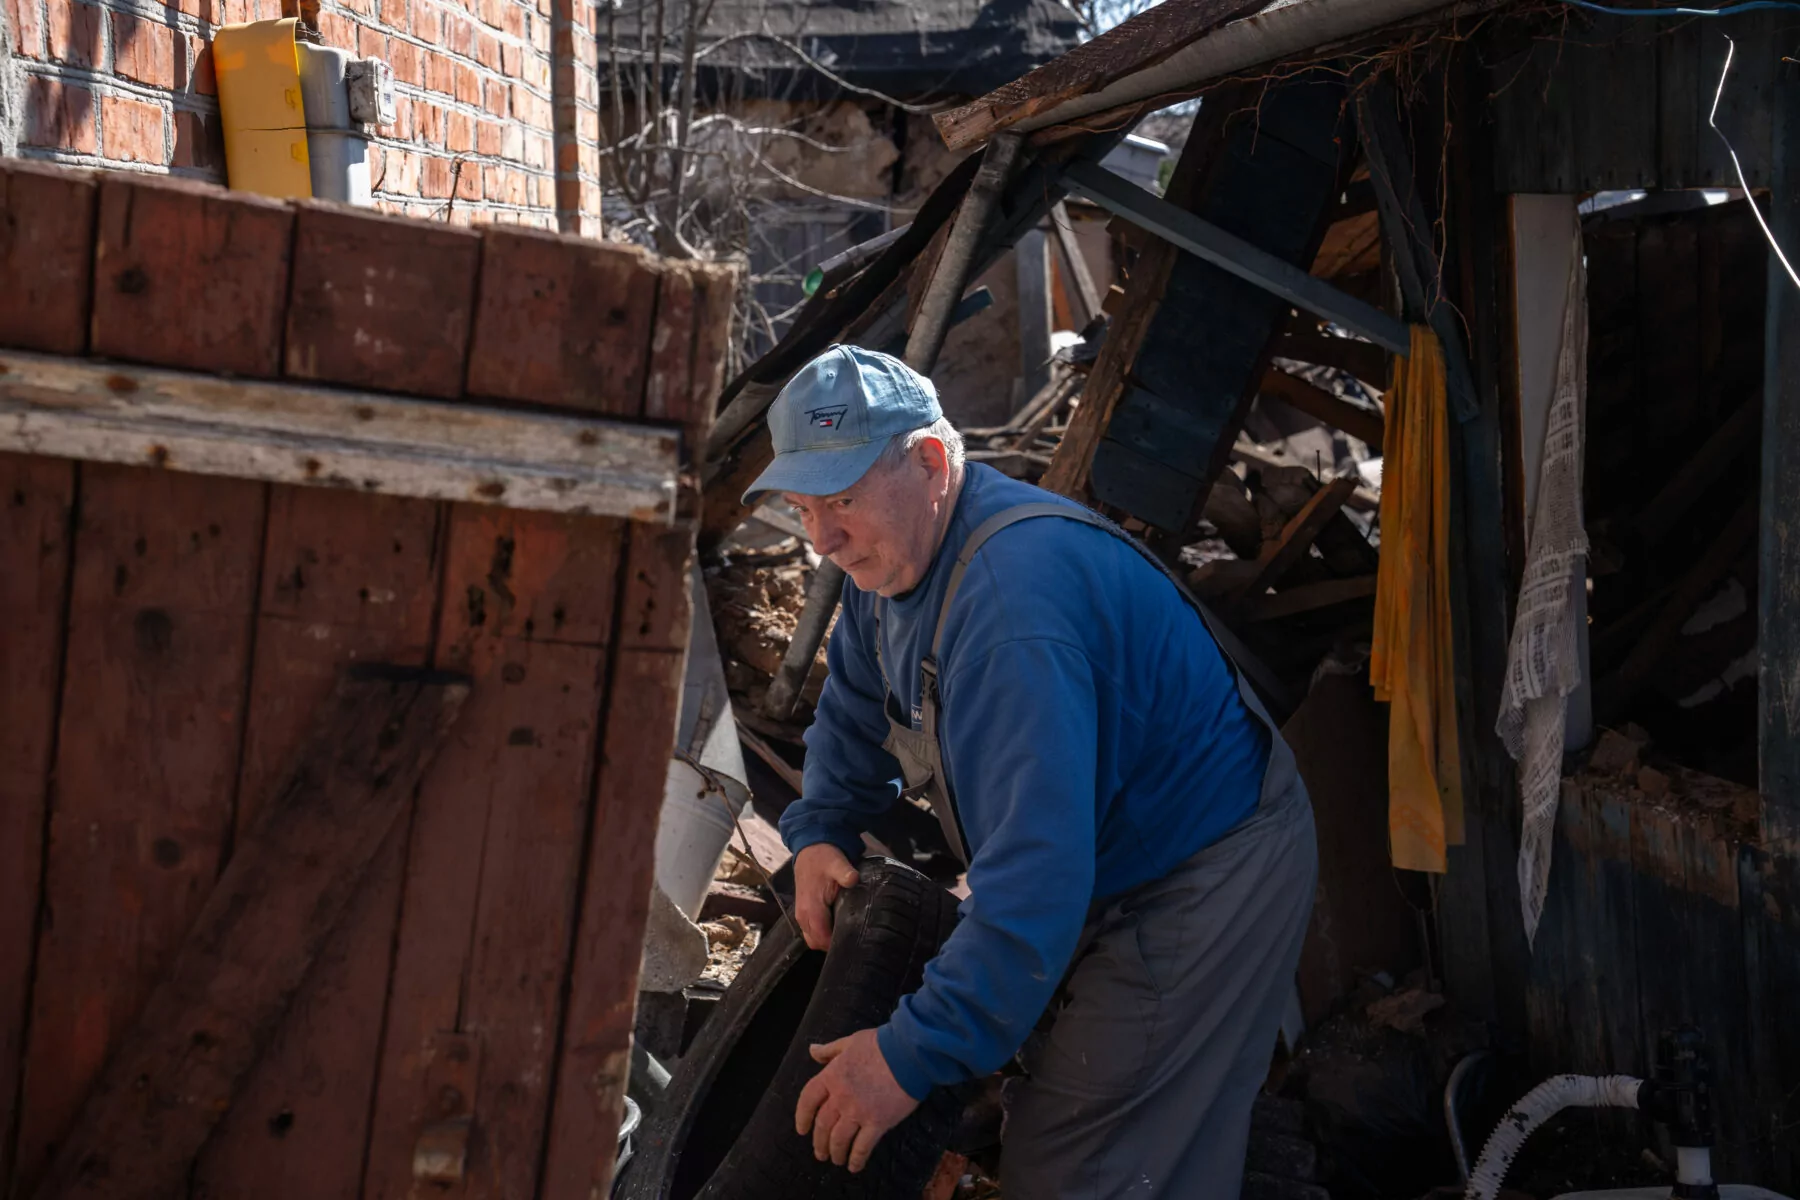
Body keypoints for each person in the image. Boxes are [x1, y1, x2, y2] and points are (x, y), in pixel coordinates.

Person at [742, 343, 1318, 1198]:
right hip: (1105, 856)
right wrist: (823, 823)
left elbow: (1035, 885)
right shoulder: (891, 562)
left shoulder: (1012, 611)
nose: (822, 539)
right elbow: (855, 705)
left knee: (1087, 1166)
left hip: (1204, 869)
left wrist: (906, 1057)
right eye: (801, 507)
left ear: (931, 462)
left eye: (844, 500)